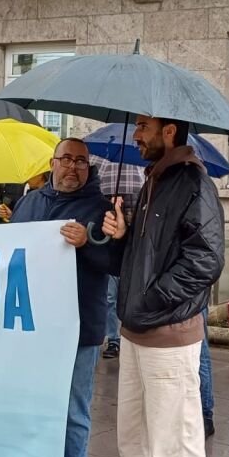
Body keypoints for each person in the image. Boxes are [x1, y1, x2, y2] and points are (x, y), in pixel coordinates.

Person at [94, 115, 223, 457]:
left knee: (175, 442)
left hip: (168, 332)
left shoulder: (193, 184)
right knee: (135, 433)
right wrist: (122, 236)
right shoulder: (154, 181)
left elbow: (205, 259)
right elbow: (144, 257)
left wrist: (152, 300)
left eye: (144, 127)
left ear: (169, 131)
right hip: (136, 329)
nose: (136, 135)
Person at [11, 138, 120, 457]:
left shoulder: (102, 209)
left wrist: (88, 243)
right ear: (52, 163)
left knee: (73, 410)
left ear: (88, 168)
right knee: (30, 403)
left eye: (80, 161)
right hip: (31, 324)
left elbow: (116, 263)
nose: (72, 167)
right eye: (66, 159)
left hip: (79, 326)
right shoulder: (28, 203)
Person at [91, 154, 145, 360]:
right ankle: (114, 339)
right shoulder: (103, 187)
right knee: (110, 297)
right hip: (112, 248)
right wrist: (110, 206)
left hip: (134, 251)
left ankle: (129, 337)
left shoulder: (141, 187)